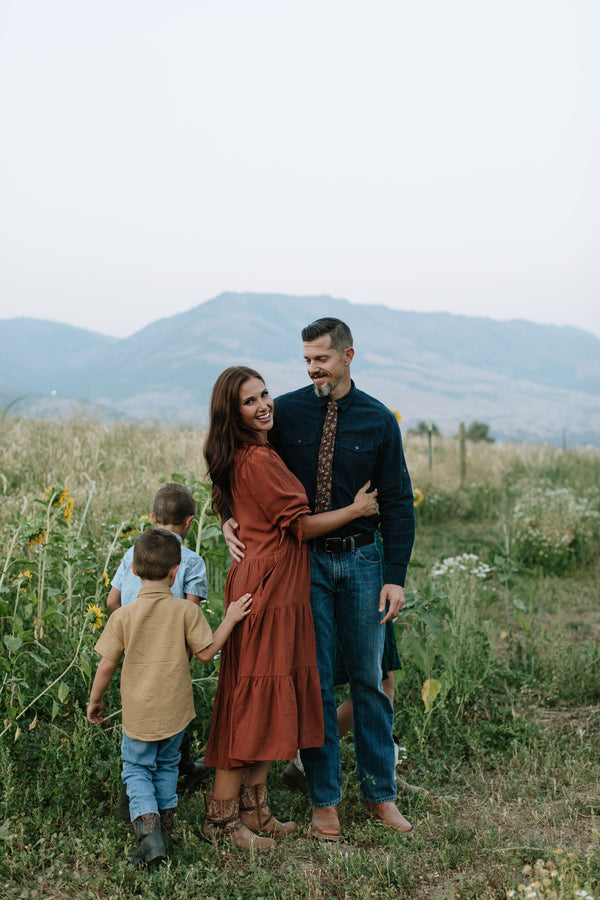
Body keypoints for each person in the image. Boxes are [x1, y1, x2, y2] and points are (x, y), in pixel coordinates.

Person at [225, 319, 415, 840]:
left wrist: (394, 576)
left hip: (363, 563)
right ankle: (324, 803)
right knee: (315, 686)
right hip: (302, 565)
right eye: (306, 360)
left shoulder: (378, 420)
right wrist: (226, 517)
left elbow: (398, 501)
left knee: (371, 683)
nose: (312, 369)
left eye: (321, 360)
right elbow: (240, 461)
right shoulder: (283, 411)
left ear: (348, 356)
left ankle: (382, 795)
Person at [201, 366, 378, 850]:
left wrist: (227, 520)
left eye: (264, 395)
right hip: (267, 590)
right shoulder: (255, 460)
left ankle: (256, 811)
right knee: (250, 701)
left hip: (279, 588)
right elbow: (298, 527)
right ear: (231, 412)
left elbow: (233, 499)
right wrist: (356, 512)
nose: (263, 406)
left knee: (269, 697)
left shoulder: (255, 451)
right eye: (249, 401)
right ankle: (221, 822)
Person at [87, 528, 252, 868]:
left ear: (133, 569)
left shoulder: (123, 616)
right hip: (176, 712)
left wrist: (95, 700)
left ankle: (149, 836)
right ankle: (165, 827)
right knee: (166, 766)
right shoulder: (185, 612)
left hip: (139, 714)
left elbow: (106, 665)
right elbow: (206, 653)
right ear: (176, 572)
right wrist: (232, 618)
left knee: (136, 769)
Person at [107, 482, 211, 807]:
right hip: (172, 653)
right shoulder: (190, 561)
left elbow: (112, 602)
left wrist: (133, 628)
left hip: (135, 648)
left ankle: (134, 792)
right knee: (173, 714)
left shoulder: (131, 553)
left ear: (152, 518)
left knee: (141, 718)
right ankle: (177, 777)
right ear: (190, 522)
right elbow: (191, 614)